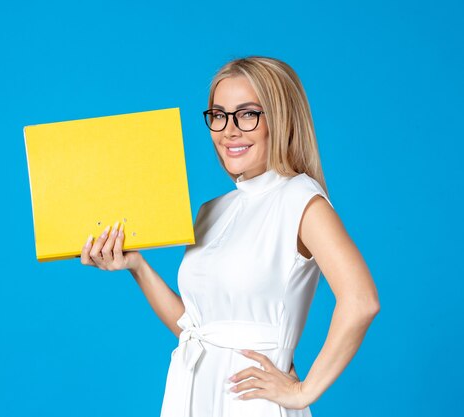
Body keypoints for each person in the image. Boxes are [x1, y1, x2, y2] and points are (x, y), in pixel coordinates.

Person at [79, 56, 380, 417]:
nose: (229, 130)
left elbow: (361, 300)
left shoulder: (302, 199)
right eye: (218, 115)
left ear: (281, 119)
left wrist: (304, 391)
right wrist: (138, 266)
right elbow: (197, 329)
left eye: (248, 114)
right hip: (192, 393)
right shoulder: (212, 210)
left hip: (252, 405)